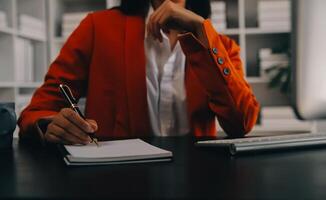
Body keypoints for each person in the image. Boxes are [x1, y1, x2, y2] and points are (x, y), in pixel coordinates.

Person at [18, 0, 260, 145]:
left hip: (198, 178)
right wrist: (52, 124)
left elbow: (242, 124)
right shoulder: (97, 28)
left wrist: (201, 32)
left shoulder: (220, 46)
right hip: (116, 180)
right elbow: (38, 111)